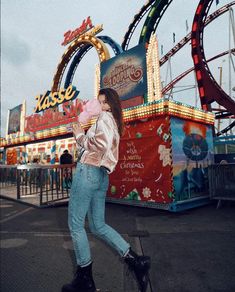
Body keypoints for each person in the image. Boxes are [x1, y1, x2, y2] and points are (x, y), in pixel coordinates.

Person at [62, 88, 151, 292]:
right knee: (98, 225)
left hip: (88, 173)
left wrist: (79, 136)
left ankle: (85, 280)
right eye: (98, 102)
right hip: (101, 176)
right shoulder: (113, 122)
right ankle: (135, 262)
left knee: (76, 225)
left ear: (109, 104)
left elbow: (99, 144)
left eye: (102, 102)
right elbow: (103, 148)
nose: (98, 105)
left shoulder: (103, 118)